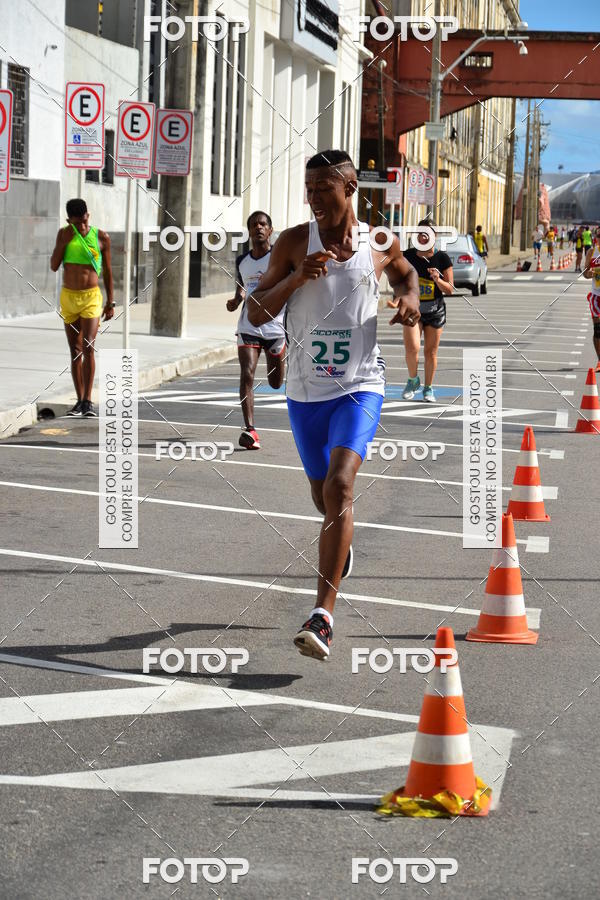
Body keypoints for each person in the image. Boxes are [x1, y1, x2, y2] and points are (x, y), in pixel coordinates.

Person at [247, 150, 419, 660]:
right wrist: (296, 278)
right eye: (309, 189)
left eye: (324, 188)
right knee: (322, 496)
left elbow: (406, 276)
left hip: (361, 385)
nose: (314, 198)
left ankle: (322, 616)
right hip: (306, 393)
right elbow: (256, 312)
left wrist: (410, 300)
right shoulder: (293, 242)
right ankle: (341, 543)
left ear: (350, 188)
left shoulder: (379, 241)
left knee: (341, 485)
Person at [50, 198, 114, 417]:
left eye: (84, 221)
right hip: (69, 298)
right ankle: (79, 402)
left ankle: (88, 401)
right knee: (75, 350)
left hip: (91, 298)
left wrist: (110, 302)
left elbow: (107, 271)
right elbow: (54, 266)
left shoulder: (101, 237)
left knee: (88, 346)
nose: (81, 226)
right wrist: (64, 242)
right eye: (76, 223)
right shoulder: (63, 234)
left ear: (88, 215)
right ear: (69, 220)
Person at [226, 211, 285, 449]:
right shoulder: (242, 260)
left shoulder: (280, 257)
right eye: (254, 225)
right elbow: (242, 285)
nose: (258, 228)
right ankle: (250, 430)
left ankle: (278, 354)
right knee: (247, 373)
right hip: (248, 324)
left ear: (270, 230)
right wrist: (236, 300)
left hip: (276, 326)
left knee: (275, 383)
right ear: (249, 231)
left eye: (263, 224)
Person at [400, 220, 454, 403]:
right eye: (419, 233)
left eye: (427, 233)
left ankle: (428, 389)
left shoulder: (442, 258)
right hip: (412, 309)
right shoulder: (407, 255)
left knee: (430, 352)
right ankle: (413, 380)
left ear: (434, 236)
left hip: (435, 310)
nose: (422, 237)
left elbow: (450, 289)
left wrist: (438, 279)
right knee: (412, 348)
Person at [583, 242, 600, 370]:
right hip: (596, 296)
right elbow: (585, 272)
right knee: (598, 329)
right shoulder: (592, 252)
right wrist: (589, 274)